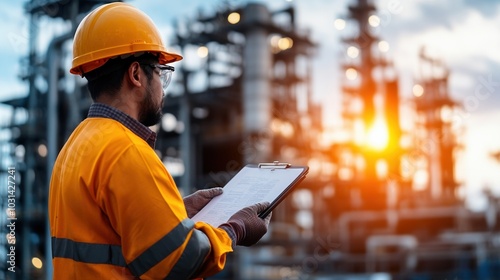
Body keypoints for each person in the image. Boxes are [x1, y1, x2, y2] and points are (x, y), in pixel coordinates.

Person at [48, 2, 271, 279]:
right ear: (136, 74)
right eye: (161, 74)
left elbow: (111, 234)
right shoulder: (127, 151)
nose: (163, 89)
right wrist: (236, 228)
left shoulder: (74, 147)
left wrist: (176, 212)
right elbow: (180, 262)